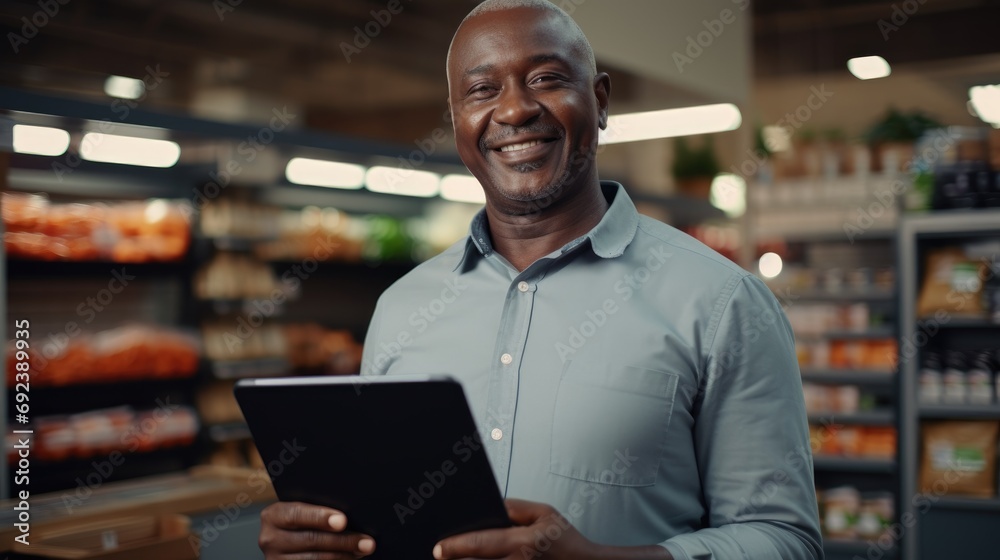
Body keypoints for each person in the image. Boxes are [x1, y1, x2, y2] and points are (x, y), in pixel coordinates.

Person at [258, 1, 823, 559]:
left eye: (547, 79)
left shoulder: (721, 302)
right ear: (456, 117)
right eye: (482, 90)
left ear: (599, 101)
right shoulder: (403, 308)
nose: (514, 110)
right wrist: (327, 542)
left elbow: (784, 539)